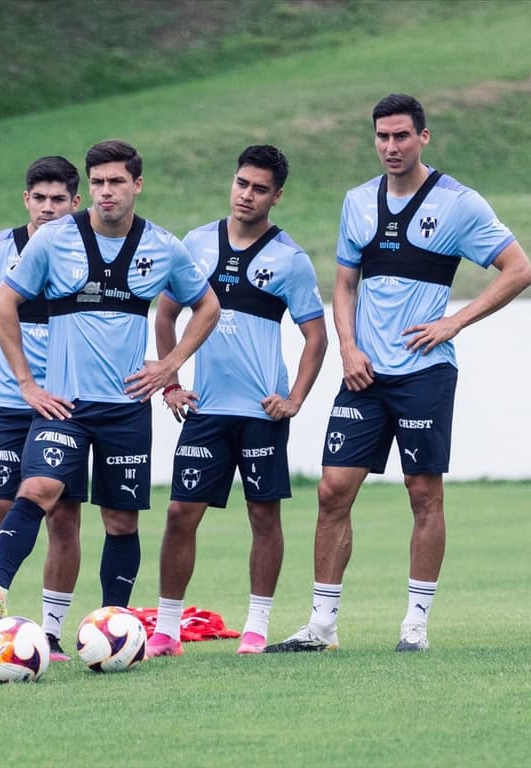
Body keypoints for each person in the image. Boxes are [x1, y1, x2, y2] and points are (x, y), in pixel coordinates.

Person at [266, 94, 531, 654]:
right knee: (332, 491)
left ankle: (414, 626)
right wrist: (348, 347)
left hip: (424, 374)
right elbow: (344, 283)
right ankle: (321, 627)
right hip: (364, 374)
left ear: (424, 138)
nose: (391, 147)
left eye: (402, 137)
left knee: (423, 494)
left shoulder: (458, 204)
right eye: (383, 137)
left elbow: (519, 270)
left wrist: (454, 322)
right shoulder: (358, 201)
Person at [0, 139, 219, 619]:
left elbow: (208, 306)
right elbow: (1, 305)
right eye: (98, 181)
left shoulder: (163, 246)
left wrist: (169, 367)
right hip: (67, 408)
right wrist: (26, 384)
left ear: (136, 185)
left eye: (116, 181)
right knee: (37, 490)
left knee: (121, 521)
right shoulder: (54, 239)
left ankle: (112, 623)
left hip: (125, 410)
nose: (107, 191)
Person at [145, 145, 328, 658]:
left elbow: (317, 337)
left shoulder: (289, 259)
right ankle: (166, 629)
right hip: (205, 411)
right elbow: (165, 317)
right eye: (241, 183)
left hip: (261, 413)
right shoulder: (196, 243)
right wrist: (171, 382)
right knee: (181, 513)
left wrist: (294, 399)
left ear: (278, 196)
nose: (247, 195)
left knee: (263, 516)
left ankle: (255, 627)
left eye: (260, 188)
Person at [0, 156, 83, 662]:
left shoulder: (85, 253)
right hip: (11, 406)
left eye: (60, 199)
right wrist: (23, 377)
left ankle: (51, 633)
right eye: (40, 198)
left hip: (69, 405)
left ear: (76, 203)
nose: (49, 208)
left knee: (64, 517)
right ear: (25, 199)